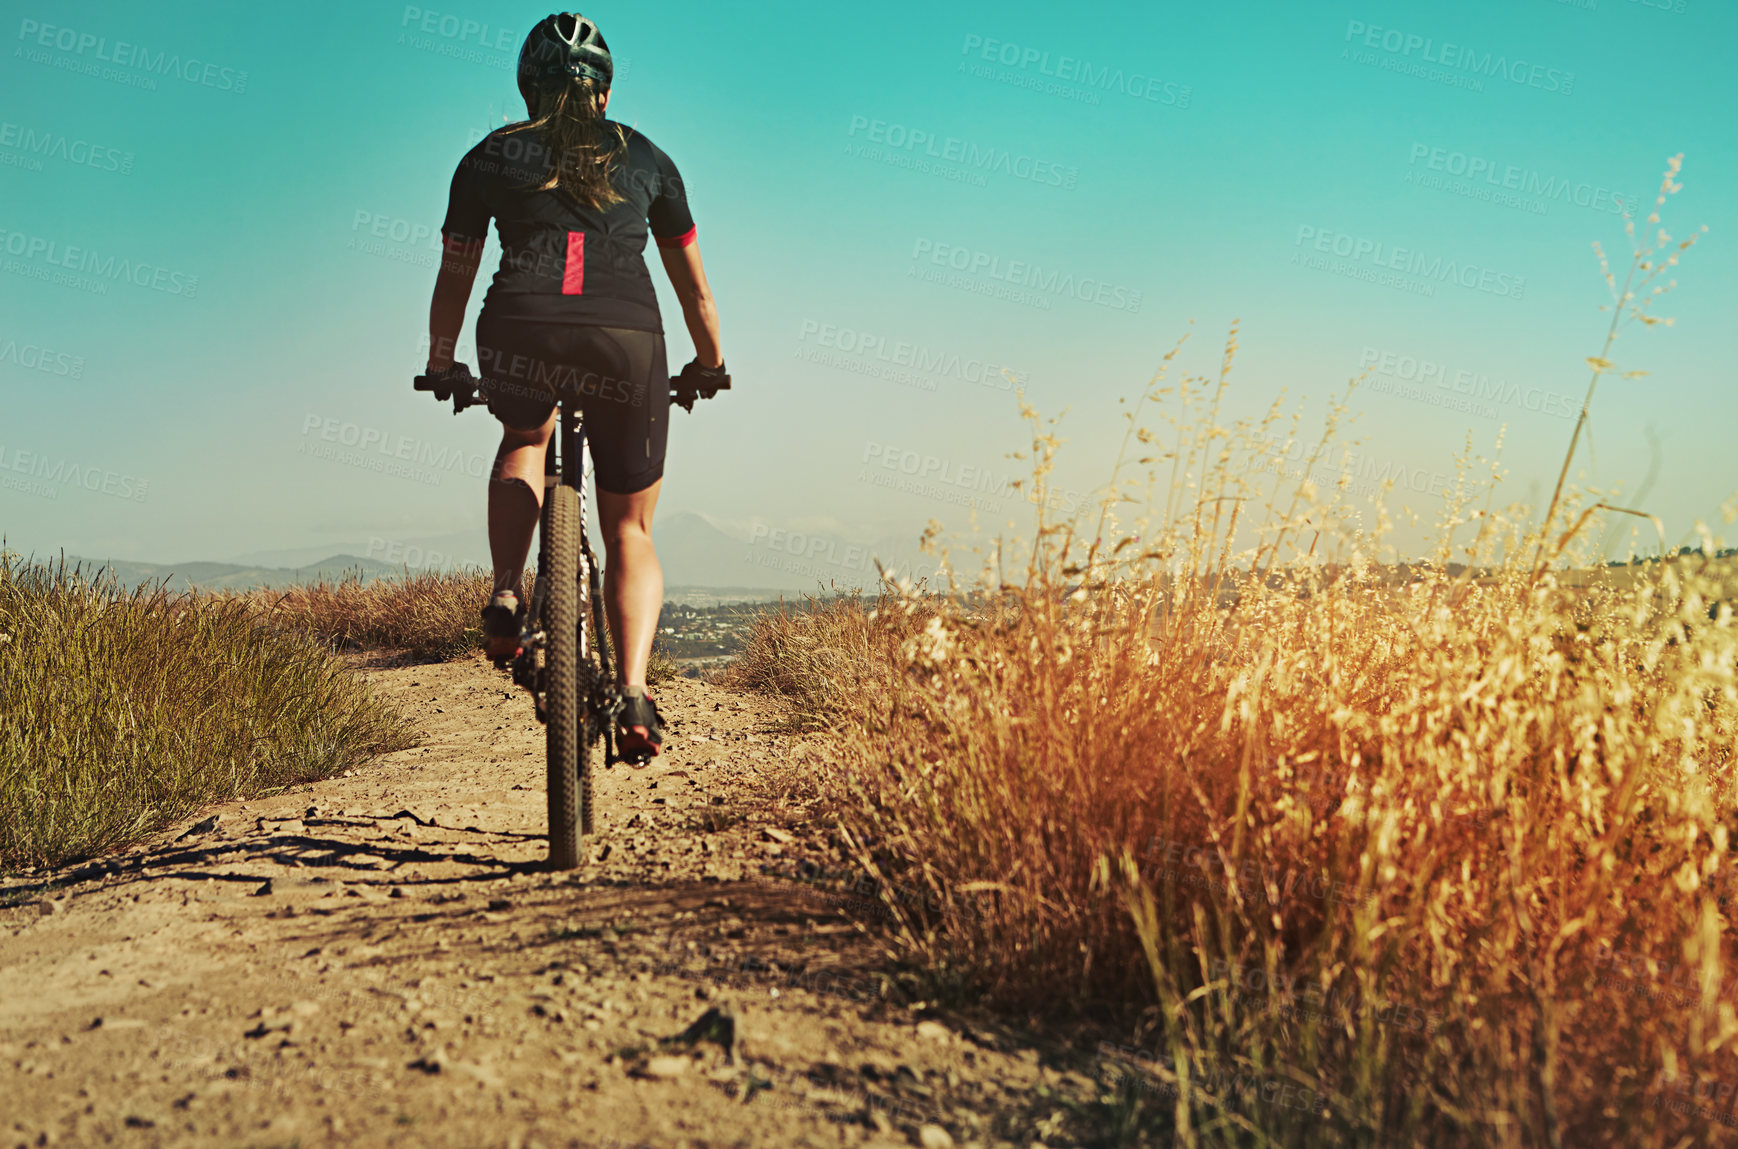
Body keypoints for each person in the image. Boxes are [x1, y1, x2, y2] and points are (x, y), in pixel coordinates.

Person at [424, 12, 723, 763]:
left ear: (528, 88)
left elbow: (454, 273)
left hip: (518, 324)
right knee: (630, 528)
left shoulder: (486, 157)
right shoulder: (649, 157)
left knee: (525, 436)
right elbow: (696, 294)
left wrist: (441, 359)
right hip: (626, 337)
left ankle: (504, 591)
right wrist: (709, 362)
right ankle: (633, 691)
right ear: (607, 89)